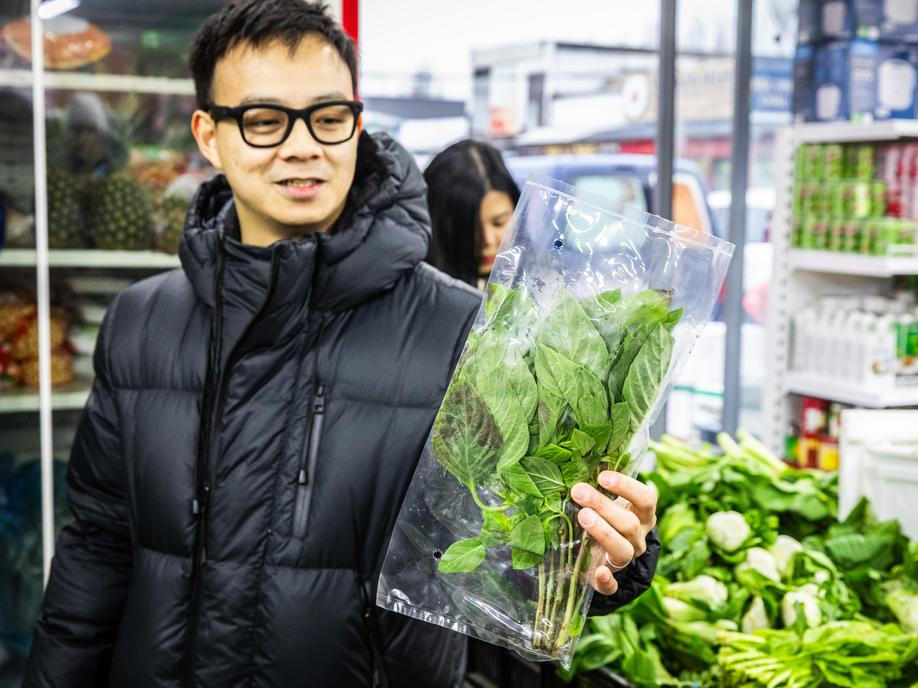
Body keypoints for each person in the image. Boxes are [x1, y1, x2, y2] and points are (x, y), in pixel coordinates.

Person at [23, 2, 659, 686]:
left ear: (357, 122)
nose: (303, 146)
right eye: (264, 120)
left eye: (328, 117)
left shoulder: (465, 333)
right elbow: (96, 557)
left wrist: (606, 555)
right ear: (208, 134)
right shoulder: (140, 324)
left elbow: (517, 562)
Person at [424, 139, 519, 288]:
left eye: (498, 223)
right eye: (470, 226)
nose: (487, 240)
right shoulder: (419, 293)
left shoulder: (538, 284)